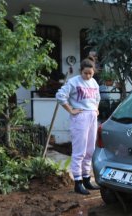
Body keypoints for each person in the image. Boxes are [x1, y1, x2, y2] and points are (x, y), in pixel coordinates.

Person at [56, 56, 101, 195]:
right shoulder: (74, 82)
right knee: (79, 151)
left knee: (90, 150)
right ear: (80, 71)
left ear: (93, 72)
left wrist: (96, 108)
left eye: (90, 73)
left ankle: (87, 179)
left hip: (92, 116)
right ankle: (78, 182)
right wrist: (71, 109)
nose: (88, 75)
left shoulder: (94, 83)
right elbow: (60, 96)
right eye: (85, 73)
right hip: (80, 117)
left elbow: (97, 97)